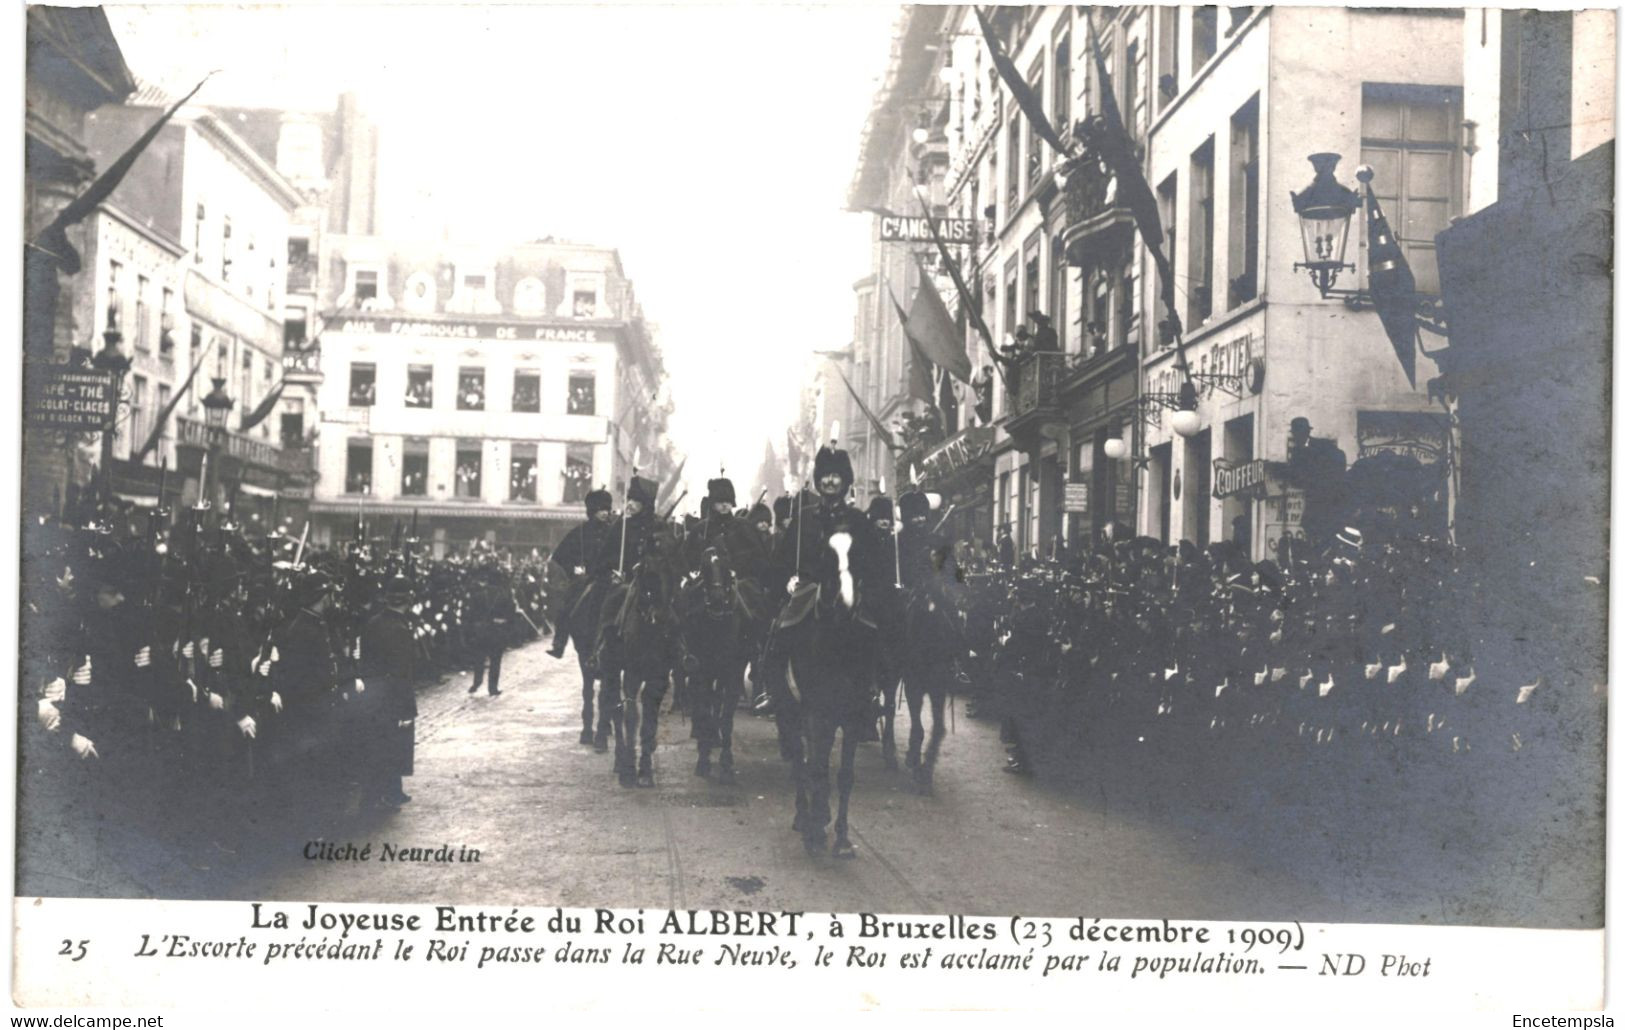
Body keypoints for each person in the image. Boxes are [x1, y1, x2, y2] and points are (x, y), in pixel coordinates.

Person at [356, 571, 418, 810]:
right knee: (391, 746)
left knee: (380, 744)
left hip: (374, 693)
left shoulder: (375, 622)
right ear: (408, 599)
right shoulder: (400, 629)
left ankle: (391, 791)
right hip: (393, 695)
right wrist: (406, 708)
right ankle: (380, 798)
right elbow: (403, 672)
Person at [546, 487, 614, 659]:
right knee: (567, 606)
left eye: (607, 509)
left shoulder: (615, 531)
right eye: (601, 510)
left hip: (612, 578)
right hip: (587, 579)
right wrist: (575, 569)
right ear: (592, 511)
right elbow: (560, 556)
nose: (605, 513)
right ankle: (559, 642)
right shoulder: (580, 532)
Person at [1284, 416, 1349, 551]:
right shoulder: (1296, 453)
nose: (1296, 436)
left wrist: (1328, 479)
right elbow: (1296, 479)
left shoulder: (1323, 445)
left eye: (1298, 432)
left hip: (1331, 498)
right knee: (1311, 528)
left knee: (1329, 531)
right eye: (1295, 433)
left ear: (1306, 432)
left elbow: (1340, 459)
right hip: (1314, 499)